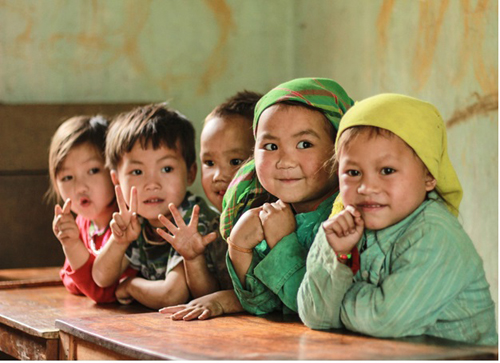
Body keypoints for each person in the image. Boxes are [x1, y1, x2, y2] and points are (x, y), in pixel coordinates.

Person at [297, 93, 498, 346]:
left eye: (387, 171)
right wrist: (340, 256)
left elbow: (386, 321)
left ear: (428, 176)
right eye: (353, 172)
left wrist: (338, 303)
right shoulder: (341, 227)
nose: (367, 187)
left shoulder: (435, 233)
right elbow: (314, 316)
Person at [219, 78, 355, 315]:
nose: (285, 161)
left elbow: (317, 310)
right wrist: (238, 247)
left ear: (340, 150)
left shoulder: (348, 220)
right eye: (271, 147)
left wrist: (283, 242)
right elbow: (265, 307)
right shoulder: (270, 213)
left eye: (304, 144)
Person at [92, 104, 220, 310]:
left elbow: (172, 295)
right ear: (116, 180)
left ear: (190, 173)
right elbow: (101, 278)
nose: (152, 184)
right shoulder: (136, 219)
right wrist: (118, 241)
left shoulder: (190, 218)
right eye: (136, 172)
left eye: (166, 168)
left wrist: (131, 286)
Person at [160, 90, 262, 320]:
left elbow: (274, 296)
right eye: (209, 162)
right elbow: (207, 297)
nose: (218, 175)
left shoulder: (272, 220)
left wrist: (227, 301)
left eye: (235, 161)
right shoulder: (213, 226)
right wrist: (193, 259)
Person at [47, 115, 135, 303]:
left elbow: (102, 292)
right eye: (67, 177)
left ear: (115, 173)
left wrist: (72, 246)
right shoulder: (82, 222)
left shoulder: (127, 223)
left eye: (93, 171)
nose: (80, 187)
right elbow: (69, 280)